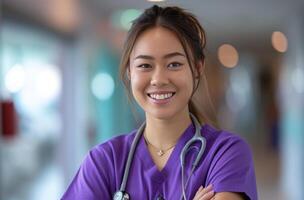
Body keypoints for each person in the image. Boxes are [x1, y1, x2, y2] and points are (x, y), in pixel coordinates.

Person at [61, 5, 258, 200]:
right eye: (145, 65)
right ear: (130, 72)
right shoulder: (104, 161)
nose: (159, 79)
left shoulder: (225, 154)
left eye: (174, 64)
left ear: (197, 69)